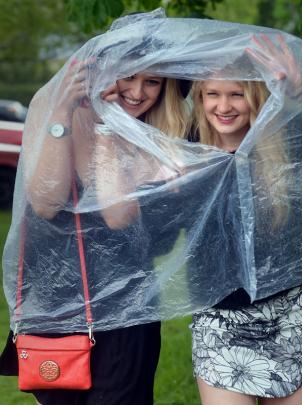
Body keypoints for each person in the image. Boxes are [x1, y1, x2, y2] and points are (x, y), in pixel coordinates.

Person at [0, 57, 188, 405]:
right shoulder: (59, 108)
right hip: (57, 306)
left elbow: (118, 215)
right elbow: (44, 202)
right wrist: (61, 114)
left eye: (153, 82)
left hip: (126, 310)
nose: (137, 92)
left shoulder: (163, 134)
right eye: (128, 77)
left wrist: (105, 131)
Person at [185, 34, 302, 405]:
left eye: (236, 94)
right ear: (200, 99)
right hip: (220, 323)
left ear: (255, 97)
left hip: (289, 315)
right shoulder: (183, 149)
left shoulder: (286, 136)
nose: (224, 106)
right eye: (213, 94)